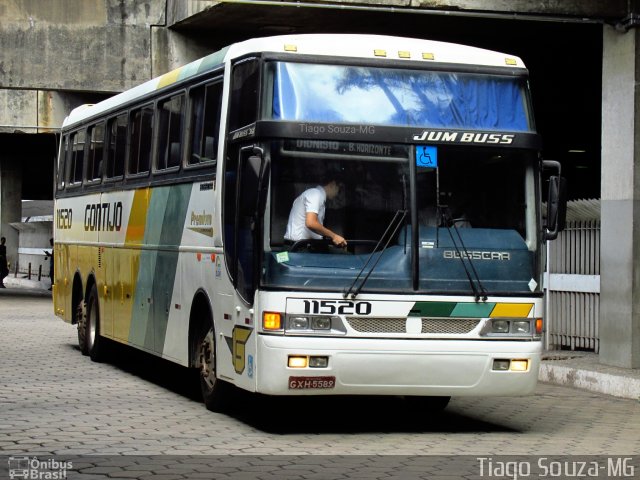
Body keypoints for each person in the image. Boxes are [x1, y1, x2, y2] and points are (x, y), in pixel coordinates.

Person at [284, 179, 347, 248]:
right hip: (300, 248)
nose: (338, 194)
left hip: (301, 246)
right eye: (339, 189)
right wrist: (334, 236)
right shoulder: (315, 194)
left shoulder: (317, 196)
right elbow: (311, 223)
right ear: (333, 184)